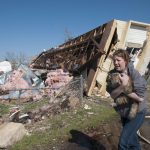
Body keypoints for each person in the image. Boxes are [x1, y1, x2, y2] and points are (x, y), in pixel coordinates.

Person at [106, 49, 147, 150]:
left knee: (123, 143)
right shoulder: (111, 74)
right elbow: (113, 95)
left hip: (137, 112)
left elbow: (140, 97)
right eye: (114, 60)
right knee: (132, 141)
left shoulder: (134, 74)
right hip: (124, 112)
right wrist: (122, 86)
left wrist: (124, 88)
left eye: (118, 60)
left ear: (126, 60)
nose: (116, 63)